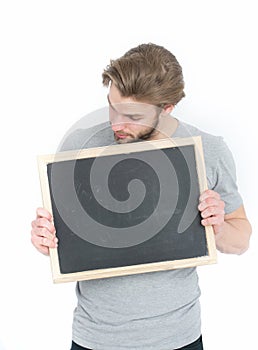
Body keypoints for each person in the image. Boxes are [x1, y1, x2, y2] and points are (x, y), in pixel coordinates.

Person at [31, 43, 252, 350]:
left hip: (179, 339)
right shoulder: (79, 146)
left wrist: (219, 228)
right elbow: (64, 244)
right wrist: (46, 239)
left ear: (167, 109)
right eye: (112, 107)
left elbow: (241, 238)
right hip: (94, 339)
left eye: (133, 115)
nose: (116, 124)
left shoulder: (208, 151)